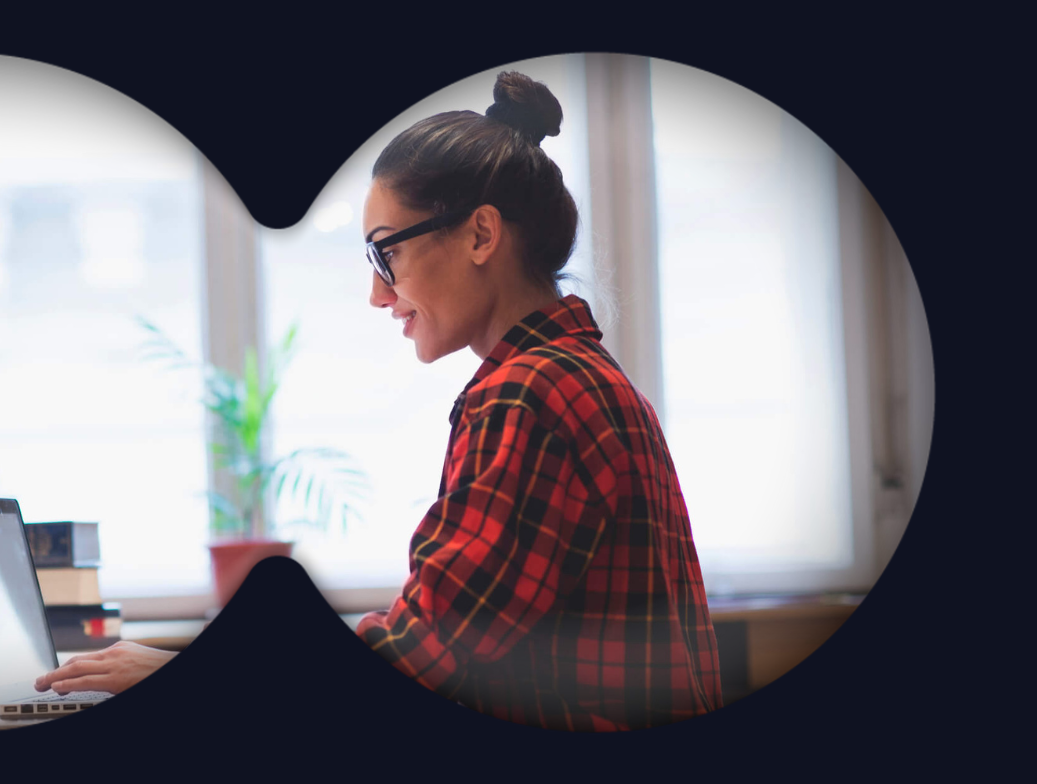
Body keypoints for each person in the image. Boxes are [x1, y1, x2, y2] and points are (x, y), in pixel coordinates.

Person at [35, 71, 722, 731]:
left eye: (384, 253)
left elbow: (424, 657)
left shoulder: (529, 393)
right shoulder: (575, 373)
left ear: (480, 234)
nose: (378, 294)